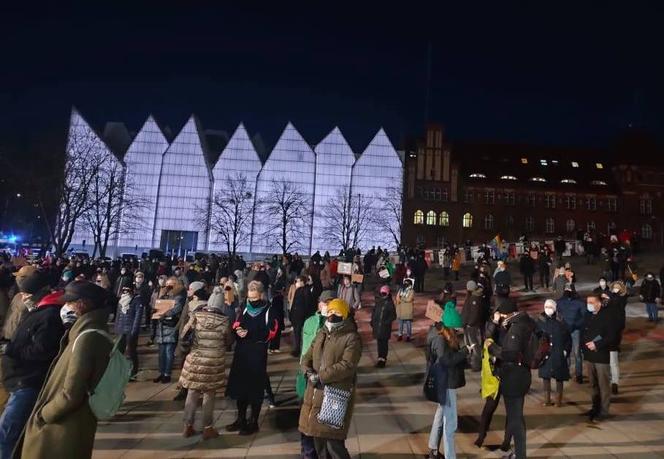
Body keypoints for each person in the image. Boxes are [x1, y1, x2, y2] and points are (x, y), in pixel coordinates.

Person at [19, 280, 113, 459]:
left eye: (70, 302)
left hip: (63, 427)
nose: (66, 307)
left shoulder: (87, 338)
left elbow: (71, 394)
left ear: (83, 304)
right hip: (73, 422)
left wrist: (44, 414)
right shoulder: (88, 331)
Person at [0, 286, 65, 459]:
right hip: (20, 380)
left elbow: (41, 349)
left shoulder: (49, 315)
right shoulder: (39, 311)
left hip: (28, 382)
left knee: (6, 435)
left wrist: (12, 350)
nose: (23, 296)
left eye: (27, 293)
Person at [298, 298, 361, 459]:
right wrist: (307, 371)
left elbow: (347, 365)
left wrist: (322, 376)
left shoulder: (351, 337)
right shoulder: (322, 333)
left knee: (334, 444)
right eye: (331, 311)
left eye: (338, 312)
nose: (333, 315)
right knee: (319, 442)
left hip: (334, 396)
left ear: (345, 315)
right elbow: (307, 357)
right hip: (315, 394)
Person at [485, 299, 538, 459]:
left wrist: (492, 348)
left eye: (500, 314)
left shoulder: (516, 328)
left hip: (514, 376)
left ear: (505, 313)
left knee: (515, 419)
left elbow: (510, 353)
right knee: (516, 416)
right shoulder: (524, 323)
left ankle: (521, 455)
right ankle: (517, 453)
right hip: (521, 374)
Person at [226, 281, 278, 436]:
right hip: (242, 352)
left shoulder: (269, 309)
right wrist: (238, 331)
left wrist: (250, 333)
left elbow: (272, 331)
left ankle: (253, 421)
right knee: (240, 387)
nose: (252, 301)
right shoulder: (244, 307)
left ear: (261, 295)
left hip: (257, 351)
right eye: (250, 298)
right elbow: (236, 323)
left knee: (254, 388)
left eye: (254, 299)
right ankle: (240, 419)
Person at [179, 283, 229, 440]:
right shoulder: (224, 321)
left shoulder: (196, 316)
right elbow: (228, 342)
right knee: (209, 394)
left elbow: (184, 335)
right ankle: (208, 428)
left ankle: (188, 426)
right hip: (213, 363)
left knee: (192, 392)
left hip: (196, 359)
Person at [425, 303, 470, 459]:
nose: (459, 332)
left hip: (445, 382)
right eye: (457, 329)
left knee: (440, 414)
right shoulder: (441, 341)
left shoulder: (444, 338)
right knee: (451, 423)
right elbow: (446, 360)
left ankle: (433, 447)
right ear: (451, 328)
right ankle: (450, 456)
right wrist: (464, 352)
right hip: (446, 383)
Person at [297, 290, 333, 459]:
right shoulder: (310, 322)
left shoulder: (338, 324)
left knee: (325, 425)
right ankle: (308, 454)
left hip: (326, 381)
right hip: (307, 378)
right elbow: (304, 351)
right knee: (306, 422)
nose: (325, 306)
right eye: (323, 302)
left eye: (329, 303)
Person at [582, 294, 618, 422]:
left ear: (599, 303)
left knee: (603, 385)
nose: (589, 305)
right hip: (589, 356)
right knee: (593, 385)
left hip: (601, 355)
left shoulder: (607, 316)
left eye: (591, 302)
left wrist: (597, 344)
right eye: (587, 302)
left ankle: (604, 411)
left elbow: (611, 336)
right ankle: (595, 408)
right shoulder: (588, 315)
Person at [536, 300, 571, 407]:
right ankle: (547, 400)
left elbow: (567, 338)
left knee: (559, 376)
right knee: (546, 376)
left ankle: (558, 400)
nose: (548, 308)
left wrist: (566, 351)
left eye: (550, 306)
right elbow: (535, 336)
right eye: (546, 306)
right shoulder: (540, 321)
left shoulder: (561, 321)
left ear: (555, 308)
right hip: (545, 353)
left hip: (558, 351)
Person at [154, 277, 186, 383]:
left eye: (171, 284)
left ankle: (167, 374)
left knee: (169, 351)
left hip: (171, 325)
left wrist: (165, 313)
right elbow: (156, 304)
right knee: (161, 352)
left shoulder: (179, 295)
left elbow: (177, 307)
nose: (168, 286)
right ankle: (161, 372)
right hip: (161, 326)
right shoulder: (164, 294)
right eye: (167, 284)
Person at [556, 286, 586, 384]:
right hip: (565, 331)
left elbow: (584, 316)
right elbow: (558, 315)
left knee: (577, 352)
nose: (568, 291)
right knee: (566, 352)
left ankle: (579, 374)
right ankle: (566, 372)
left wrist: (576, 325)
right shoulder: (560, 302)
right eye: (566, 289)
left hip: (575, 330)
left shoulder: (580, 302)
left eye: (570, 289)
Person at [114, 284, 143, 381]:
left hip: (130, 330)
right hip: (121, 330)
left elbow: (138, 317)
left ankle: (133, 372)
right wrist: (116, 328)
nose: (125, 292)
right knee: (119, 352)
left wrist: (134, 330)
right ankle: (122, 371)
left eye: (127, 290)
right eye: (124, 290)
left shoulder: (136, 300)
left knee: (131, 352)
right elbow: (118, 316)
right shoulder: (121, 301)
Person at [606, 281, 627, 395]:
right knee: (606, 362)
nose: (616, 289)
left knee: (613, 362)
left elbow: (621, 322)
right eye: (614, 287)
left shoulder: (620, 301)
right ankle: (608, 382)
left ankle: (614, 383)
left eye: (618, 288)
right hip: (606, 335)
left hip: (613, 335)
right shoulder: (608, 301)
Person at [371, 285, 397, 368]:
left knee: (384, 344)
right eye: (382, 293)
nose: (382, 295)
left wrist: (386, 322)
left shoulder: (390, 303)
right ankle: (380, 358)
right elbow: (374, 312)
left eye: (384, 293)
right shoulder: (379, 302)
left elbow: (393, 316)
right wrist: (372, 321)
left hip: (385, 328)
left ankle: (383, 359)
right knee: (379, 343)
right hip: (378, 327)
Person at [290, 276, 316, 357]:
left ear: (302, 282)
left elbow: (308, 304)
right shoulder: (298, 290)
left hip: (302, 316)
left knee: (303, 333)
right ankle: (297, 349)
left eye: (298, 281)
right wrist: (291, 314)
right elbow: (293, 303)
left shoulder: (307, 290)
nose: (296, 283)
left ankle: (304, 350)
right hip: (296, 315)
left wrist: (307, 316)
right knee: (296, 333)